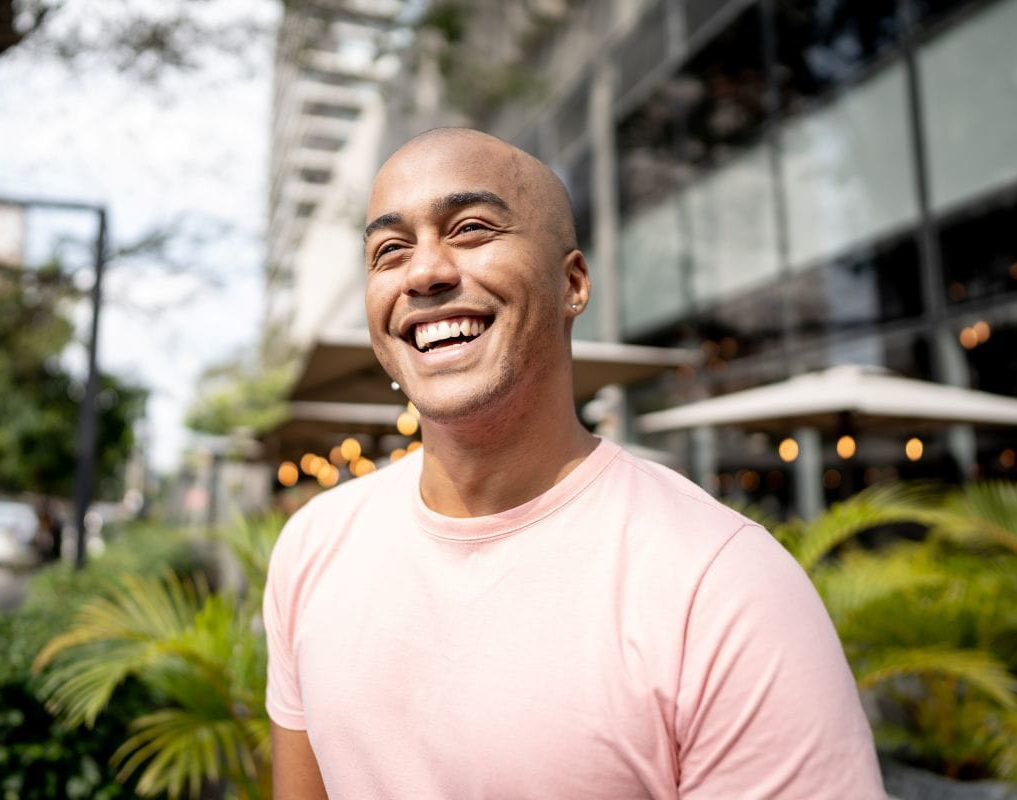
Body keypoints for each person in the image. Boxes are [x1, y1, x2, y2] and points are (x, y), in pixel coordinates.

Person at [264, 128, 886, 799]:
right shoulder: (313, 547)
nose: (424, 273)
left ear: (573, 282)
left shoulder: (723, 585)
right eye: (390, 250)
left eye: (471, 229)